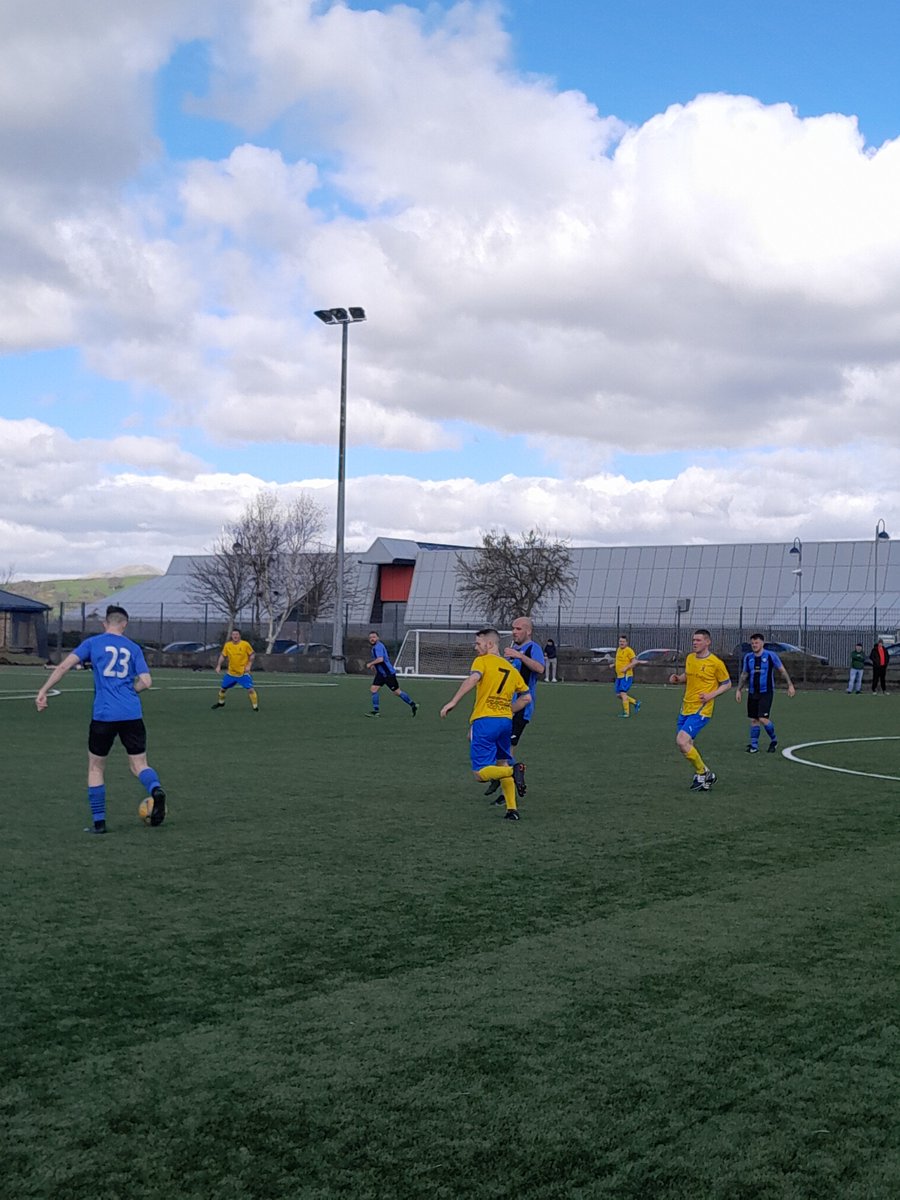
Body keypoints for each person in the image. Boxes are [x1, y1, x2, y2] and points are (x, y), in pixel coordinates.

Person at [35, 605, 167, 833]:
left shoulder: (93, 643)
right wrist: (130, 692)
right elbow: (146, 681)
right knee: (139, 764)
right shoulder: (133, 648)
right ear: (124, 624)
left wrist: (43, 690)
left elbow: (65, 666)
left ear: (106, 624)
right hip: (132, 714)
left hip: (104, 715)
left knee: (96, 767)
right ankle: (155, 789)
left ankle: (99, 823)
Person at [440, 627, 531, 820]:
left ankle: (513, 771)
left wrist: (453, 701)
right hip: (505, 722)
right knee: (502, 761)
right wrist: (507, 709)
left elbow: (473, 679)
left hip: (485, 721)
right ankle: (512, 810)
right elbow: (526, 698)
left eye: (478, 643)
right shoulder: (511, 669)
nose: (475, 647)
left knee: (480, 773)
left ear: (490, 644)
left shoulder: (482, 661)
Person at [483, 616, 545, 798]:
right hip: (505, 706)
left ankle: (506, 787)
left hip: (522, 707)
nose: (514, 632)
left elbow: (540, 669)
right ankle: (505, 776)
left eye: (518, 629)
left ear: (528, 631)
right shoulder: (513, 650)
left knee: (507, 749)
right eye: (513, 628)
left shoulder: (533, 648)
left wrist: (519, 656)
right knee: (496, 745)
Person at [668, 629, 731, 791]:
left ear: (707, 642)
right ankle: (703, 777)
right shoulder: (690, 658)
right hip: (685, 707)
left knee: (681, 741)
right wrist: (678, 679)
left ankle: (703, 772)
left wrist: (712, 695)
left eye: (698, 640)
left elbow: (727, 683)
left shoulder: (715, 663)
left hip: (701, 710)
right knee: (687, 744)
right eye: (693, 640)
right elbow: (689, 675)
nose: (694, 643)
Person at [734, 634, 795, 753]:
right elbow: (744, 674)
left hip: (766, 692)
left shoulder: (770, 656)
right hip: (752, 692)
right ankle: (754, 746)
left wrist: (790, 685)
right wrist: (739, 689)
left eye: (756, 643)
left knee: (763, 718)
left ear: (762, 643)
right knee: (754, 719)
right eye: (752, 643)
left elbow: (782, 670)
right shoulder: (748, 657)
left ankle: (774, 740)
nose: (754, 645)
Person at [365, 631, 418, 717]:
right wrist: (374, 665)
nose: (372, 639)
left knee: (397, 692)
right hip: (381, 674)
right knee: (373, 689)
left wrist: (370, 664)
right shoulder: (375, 647)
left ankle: (412, 704)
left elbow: (381, 659)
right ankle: (376, 711)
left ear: (377, 638)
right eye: (370, 637)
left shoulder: (378, 646)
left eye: (374, 637)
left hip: (388, 674)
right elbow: (380, 660)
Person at [212, 628, 259, 711]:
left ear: (240, 636)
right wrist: (218, 665)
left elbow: (252, 655)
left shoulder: (245, 644)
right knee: (223, 689)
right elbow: (223, 656)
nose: (235, 636)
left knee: (250, 690)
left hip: (243, 673)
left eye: (237, 634)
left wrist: (249, 665)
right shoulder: (228, 645)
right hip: (231, 673)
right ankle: (221, 703)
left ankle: (255, 707)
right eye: (233, 634)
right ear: (231, 636)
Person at [613, 634, 641, 718]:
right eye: (620, 641)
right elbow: (620, 661)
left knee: (623, 693)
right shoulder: (618, 650)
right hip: (619, 676)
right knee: (618, 695)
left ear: (627, 643)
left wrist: (626, 668)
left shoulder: (629, 650)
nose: (621, 643)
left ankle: (626, 713)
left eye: (623, 641)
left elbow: (635, 662)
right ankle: (635, 702)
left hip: (626, 675)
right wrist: (613, 665)